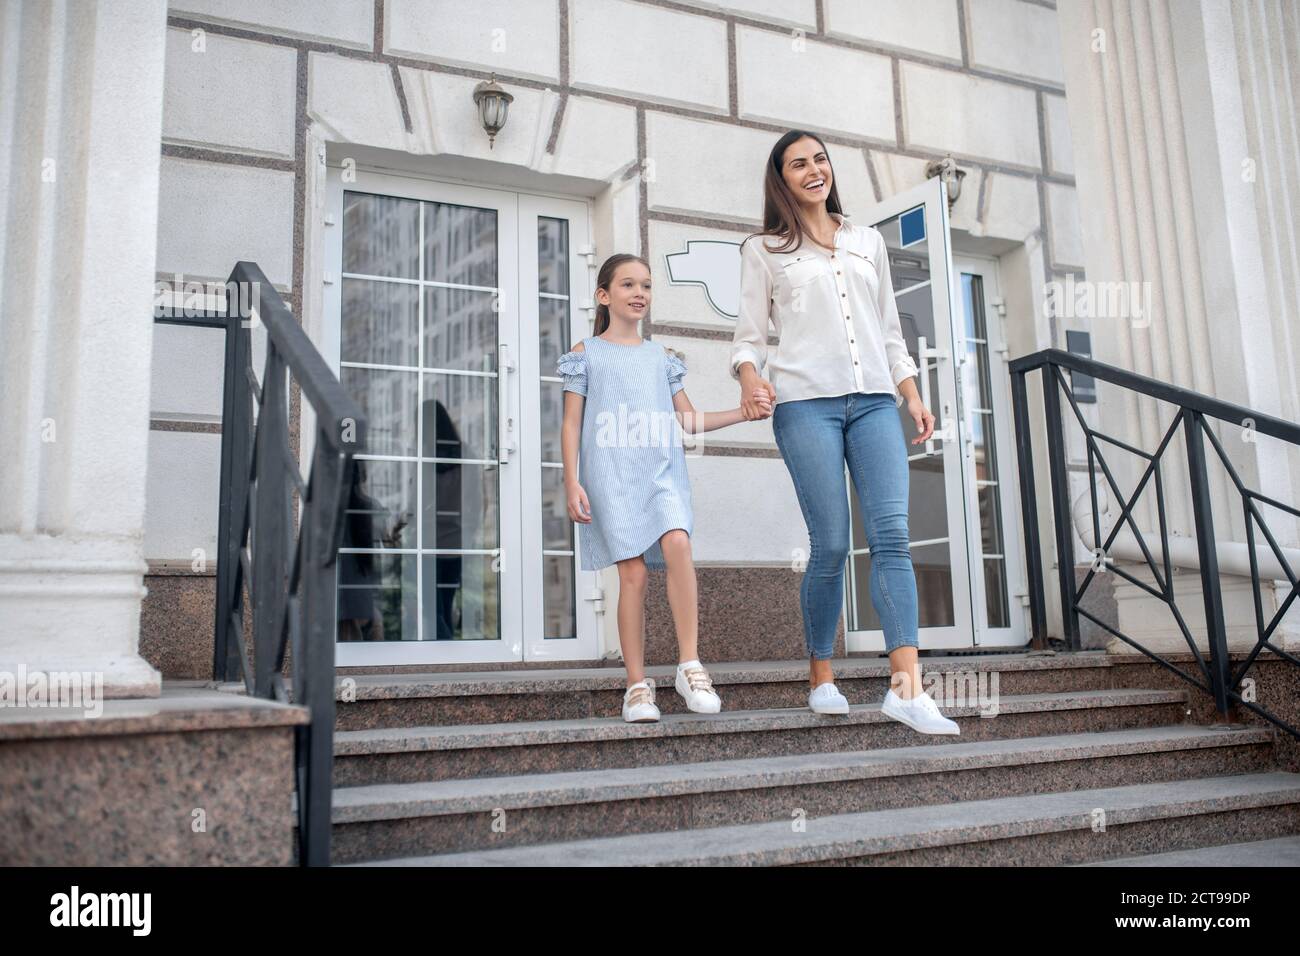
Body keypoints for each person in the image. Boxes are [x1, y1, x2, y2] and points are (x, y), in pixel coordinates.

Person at [730, 129, 960, 735]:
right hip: (806, 405)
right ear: (781, 179)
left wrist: (913, 395)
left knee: (892, 537)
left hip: (876, 402)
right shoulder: (764, 249)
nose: (814, 170)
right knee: (831, 543)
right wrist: (751, 379)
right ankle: (821, 676)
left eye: (820, 160)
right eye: (798, 164)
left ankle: (907, 689)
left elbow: (889, 331)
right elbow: (749, 337)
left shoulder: (866, 241)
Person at [558, 253, 772, 722]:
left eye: (647, 285)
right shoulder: (585, 354)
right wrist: (571, 480)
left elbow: (688, 420)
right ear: (603, 295)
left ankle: (689, 665)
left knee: (678, 541)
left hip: (661, 471)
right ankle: (636, 686)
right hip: (611, 475)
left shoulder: (662, 358)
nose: (640, 293)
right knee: (632, 575)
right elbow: (571, 423)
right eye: (628, 284)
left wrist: (743, 413)